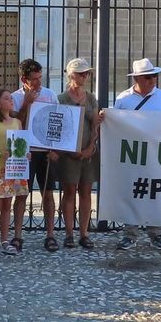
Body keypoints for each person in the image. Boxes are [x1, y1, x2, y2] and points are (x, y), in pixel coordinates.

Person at [107, 58, 161, 252]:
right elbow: (115, 124)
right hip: (132, 154)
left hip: (156, 153)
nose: (153, 80)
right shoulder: (123, 99)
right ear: (137, 79)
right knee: (132, 192)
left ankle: (156, 233)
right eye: (148, 77)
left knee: (155, 192)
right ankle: (130, 234)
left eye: (154, 76)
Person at [53, 58, 99, 250]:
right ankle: (69, 233)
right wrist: (70, 150)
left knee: (86, 191)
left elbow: (95, 125)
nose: (85, 76)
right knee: (69, 191)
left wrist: (90, 147)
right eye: (82, 73)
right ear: (72, 75)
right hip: (68, 152)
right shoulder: (61, 99)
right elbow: (59, 126)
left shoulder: (91, 98)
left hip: (88, 150)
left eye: (87, 73)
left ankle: (84, 232)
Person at [15, 58, 60, 250]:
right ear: (24, 79)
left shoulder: (50, 95)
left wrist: (55, 149)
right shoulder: (15, 97)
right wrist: (26, 104)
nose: (38, 82)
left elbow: (57, 121)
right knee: (22, 194)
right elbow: (15, 124)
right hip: (25, 152)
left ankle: (50, 235)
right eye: (34, 79)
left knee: (48, 193)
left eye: (40, 77)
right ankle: (17, 236)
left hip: (46, 151)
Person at [0, 88, 27, 257]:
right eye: (7, 98)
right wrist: (0, 154)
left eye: (11, 98)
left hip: (12, 169)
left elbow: (20, 145)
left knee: (8, 205)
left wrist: (25, 154)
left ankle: (5, 240)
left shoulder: (17, 122)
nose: (11, 101)